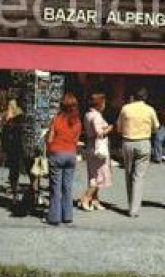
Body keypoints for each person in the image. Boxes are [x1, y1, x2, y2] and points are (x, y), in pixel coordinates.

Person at [116, 87, 159, 217]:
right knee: (139, 177)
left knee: (128, 174)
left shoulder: (125, 109)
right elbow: (156, 127)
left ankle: (130, 204)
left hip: (128, 142)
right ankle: (134, 209)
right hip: (144, 142)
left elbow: (119, 127)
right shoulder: (150, 110)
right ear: (145, 97)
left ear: (133, 97)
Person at [45, 93, 82, 226]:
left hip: (56, 153)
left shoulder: (56, 119)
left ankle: (54, 217)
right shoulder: (77, 122)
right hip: (71, 155)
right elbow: (76, 141)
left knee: (55, 187)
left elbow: (50, 138)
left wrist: (48, 149)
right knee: (67, 187)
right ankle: (67, 215)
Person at [80, 93, 114, 211]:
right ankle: (86, 198)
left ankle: (95, 200)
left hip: (91, 146)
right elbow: (99, 132)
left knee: (94, 173)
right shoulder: (97, 116)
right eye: (103, 103)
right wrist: (109, 128)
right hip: (98, 148)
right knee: (99, 175)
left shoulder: (87, 114)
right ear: (100, 104)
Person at [0, 93, 26, 200]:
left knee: (14, 169)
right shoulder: (13, 105)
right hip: (16, 143)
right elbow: (8, 121)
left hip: (15, 144)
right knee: (15, 168)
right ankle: (15, 190)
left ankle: (15, 191)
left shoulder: (9, 123)